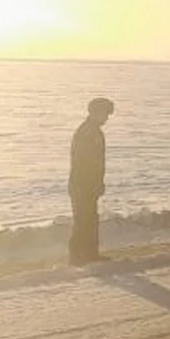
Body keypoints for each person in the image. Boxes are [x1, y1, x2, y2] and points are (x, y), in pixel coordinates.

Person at [68, 97, 114, 265]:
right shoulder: (86, 132)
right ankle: (77, 257)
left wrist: (98, 183)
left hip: (89, 184)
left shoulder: (94, 132)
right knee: (82, 220)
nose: (106, 119)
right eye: (105, 114)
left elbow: (97, 163)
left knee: (90, 220)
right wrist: (92, 183)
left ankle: (90, 254)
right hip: (81, 184)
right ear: (95, 113)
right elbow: (84, 162)